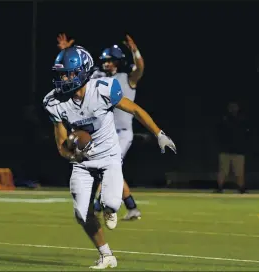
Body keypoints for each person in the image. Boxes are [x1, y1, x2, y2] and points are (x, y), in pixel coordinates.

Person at [43, 45, 176, 269]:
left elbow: (134, 109)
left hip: (109, 156)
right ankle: (106, 255)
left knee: (111, 203)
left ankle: (112, 208)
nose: (64, 78)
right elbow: (61, 145)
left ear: (83, 71)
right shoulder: (54, 102)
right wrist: (74, 153)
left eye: (69, 73)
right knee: (81, 213)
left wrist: (159, 134)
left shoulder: (103, 88)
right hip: (84, 162)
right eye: (61, 74)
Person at [56, 33, 144, 220]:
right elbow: (75, 72)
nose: (107, 63)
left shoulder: (127, 78)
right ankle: (120, 206)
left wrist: (135, 50)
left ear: (119, 62)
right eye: (105, 60)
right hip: (102, 131)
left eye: (111, 60)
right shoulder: (97, 77)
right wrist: (65, 52)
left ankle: (105, 204)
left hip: (122, 133)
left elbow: (140, 68)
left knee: (107, 166)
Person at [216, 101, 249, 194]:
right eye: (231, 107)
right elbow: (219, 133)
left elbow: (246, 134)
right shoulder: (224, 119)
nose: (233, 109)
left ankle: (241, 188)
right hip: (225, 150)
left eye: (235, 107)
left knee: (239, 172)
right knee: (223, 170)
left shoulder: (242, 119)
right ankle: (220, 187)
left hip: (238, 150)